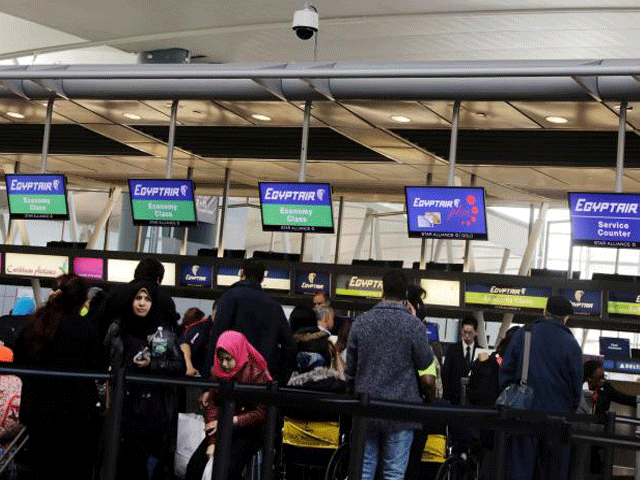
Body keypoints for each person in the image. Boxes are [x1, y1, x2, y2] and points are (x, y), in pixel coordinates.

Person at [346, 270, 434, 480]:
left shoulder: (361, 322)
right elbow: (427, 370)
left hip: (367, 408)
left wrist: (353, 393)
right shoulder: (414, 326)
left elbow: (350, 370)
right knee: (393, 473)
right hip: (401, 411)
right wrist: (428, 399)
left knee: (364, 471)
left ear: (382, 290)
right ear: (404, 293)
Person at [13, 274, 101, 480]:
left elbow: (19, 365)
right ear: (82, 300)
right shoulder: (86, 328)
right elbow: (97, 366)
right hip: (75, 420)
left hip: (37, 417)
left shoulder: (34, 324)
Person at [107, 280, 186, 480]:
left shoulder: (162, 332)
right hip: (123, 407)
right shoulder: (119, 328)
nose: (142, 303)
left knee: (145, 467)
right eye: (138, 298)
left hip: (152, 411)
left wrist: (154, 364)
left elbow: (180, 367)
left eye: (147, 299)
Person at [500, 295, 583, 480]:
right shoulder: (572, 345)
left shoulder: (525, 333)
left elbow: (506, 372)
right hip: (558, 421)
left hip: (524, 416)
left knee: (520, 471)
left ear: (545, 311)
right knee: (553, 472)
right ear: (566, 318)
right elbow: (576, 389)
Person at [185, 331, 272, 480]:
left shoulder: (257, 374)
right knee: (194, 467)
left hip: (248, 429)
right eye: (221, 359)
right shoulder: (218, 371)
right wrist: (211, 443)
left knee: (229, 470)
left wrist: (230, 421)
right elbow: (211, 406)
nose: (224, 364)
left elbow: (261, 413)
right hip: (220, 426)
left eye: (228, 359)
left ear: (239, 354)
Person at [204, 258, 296, 385]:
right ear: (263, 278)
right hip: (261, 381)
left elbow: (217, 336)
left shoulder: (230, 297)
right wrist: (279, 378)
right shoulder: (274, 306)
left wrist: (207, 379)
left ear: (242, 274)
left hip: (231, 379)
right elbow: (290, 346)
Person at [94, 256, 179, 344]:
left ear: (136, 274)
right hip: (151, 353)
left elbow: (99, 323)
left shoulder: (116, 292)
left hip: (115, 352)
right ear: (158, 279)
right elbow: (172, 333)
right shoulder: (166, 300)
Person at [442, 316, 478, 405]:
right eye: (464, 332)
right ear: (461, 331)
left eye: (470, 333)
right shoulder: (452, 349)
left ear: (476, 333)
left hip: (474, 400)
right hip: (454, 398)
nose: (466, 335)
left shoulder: (481, 351)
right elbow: (446, 373)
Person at [180, 307, 209, 377]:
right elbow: (185, 345)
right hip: (195, 371)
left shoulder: (186, 331)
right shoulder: (199, 328)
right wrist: (189, 367)